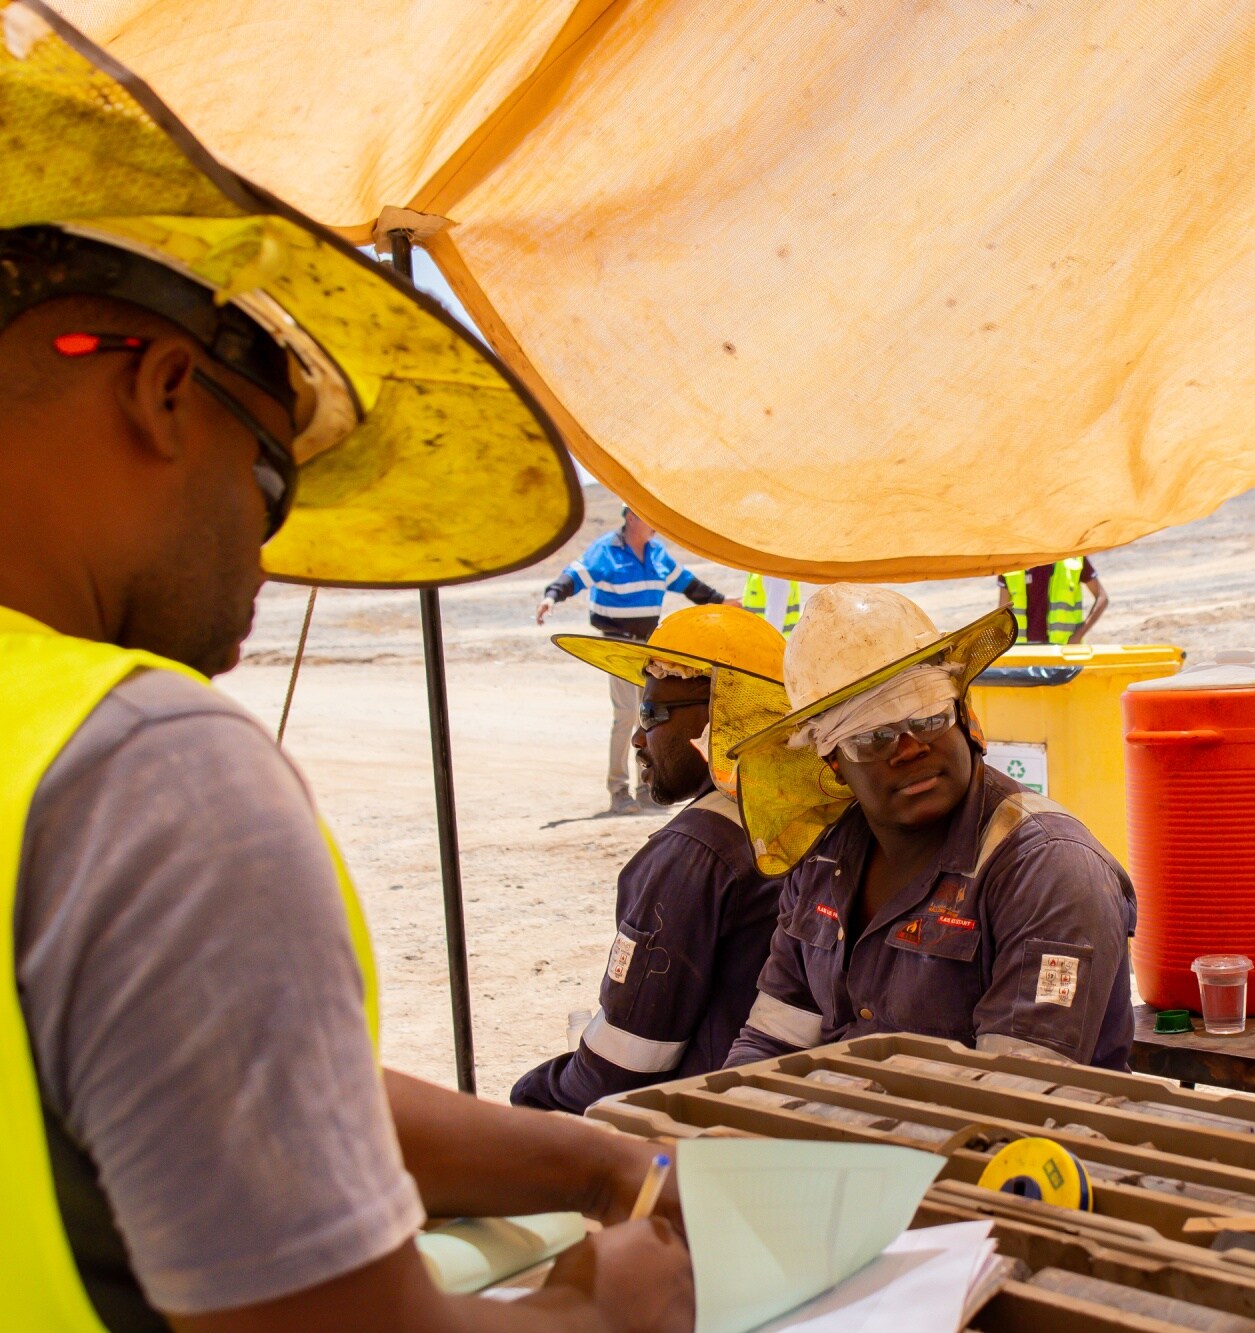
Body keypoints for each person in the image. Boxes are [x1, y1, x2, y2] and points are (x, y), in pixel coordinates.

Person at [0, 21, 689, 1328]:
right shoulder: (147, 772)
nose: (270, 558)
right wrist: (603, 1309)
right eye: (269, 482)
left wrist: (598, 1160)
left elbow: (210, 1084)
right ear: (157, 389)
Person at [723, 586, 1138, 1068]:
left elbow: (1017, 1096)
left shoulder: (1048, 869)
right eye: (873, 736)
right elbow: (771, 1043)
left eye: (928, 717)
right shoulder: (823, 861)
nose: (909, 748)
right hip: (843, 1134)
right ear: (833, 761)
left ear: (964, 717)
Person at [514, 606, 791, 1111]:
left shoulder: (694, 853)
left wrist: (535, 1092)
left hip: (704, 1125)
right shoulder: (800, 817)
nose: (640, 738)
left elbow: (622, 1065)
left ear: (721, 720)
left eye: (652, 714)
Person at [537, 506, 731, 814]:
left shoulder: (657, 554)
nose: (655, 525)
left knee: (651, 715)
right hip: (619, 646)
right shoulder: (606, 551)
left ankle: (647, 785)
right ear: (631, 518)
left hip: (649, 651)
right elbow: (574, 576)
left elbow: (689, 585)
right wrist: (551, 597)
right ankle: (618, 790)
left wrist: (723, 602)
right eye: (648, 517)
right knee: (626, 714)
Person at [996, 558, 1110, 645]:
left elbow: (1102, 598)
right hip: (1024, 652)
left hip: (1062, 650)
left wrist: (1078, 635)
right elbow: (1002, 613)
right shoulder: (1011, 563)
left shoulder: (1073, 559)